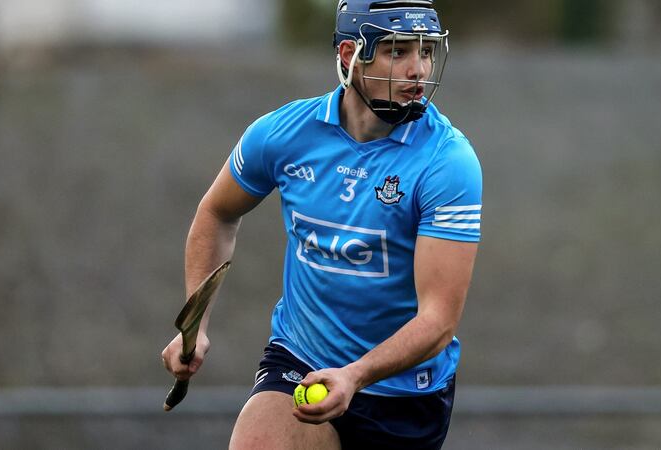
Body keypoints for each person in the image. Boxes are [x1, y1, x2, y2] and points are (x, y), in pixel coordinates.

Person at [161, 1, 482, 448]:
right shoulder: (283, 134)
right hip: (300, 359)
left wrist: (356, 375)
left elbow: (439, 319)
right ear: (351, 54)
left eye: (426, 51)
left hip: (404, 394)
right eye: (398, 51)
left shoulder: (448, 163)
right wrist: (195, 326)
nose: (418, 70)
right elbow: (217, 213)